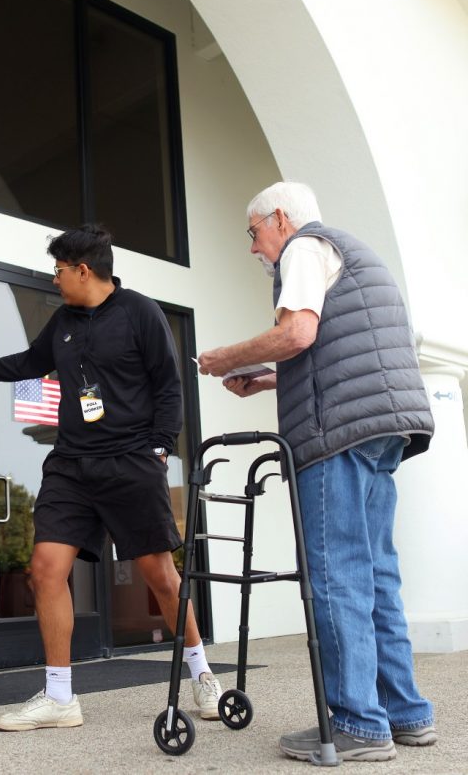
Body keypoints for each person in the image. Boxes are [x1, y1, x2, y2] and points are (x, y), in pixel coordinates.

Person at [0, 224, 222, 732]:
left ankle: (202, 674)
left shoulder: (140, 312)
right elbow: (30, 362)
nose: (55, 279)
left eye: (59, 270)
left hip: (130, 461)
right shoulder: (62, 321)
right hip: (71, 465)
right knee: (45, 569)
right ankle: (60, 696)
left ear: (83, 270)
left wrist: (158, 447)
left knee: (161, 578)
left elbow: (168, 386)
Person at [197, 182, 436, 762]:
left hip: (338, 437)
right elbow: (335, 352)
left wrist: (224, 358)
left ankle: (358, 723)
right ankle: (405, 714)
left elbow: (298, 333)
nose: (254, 248)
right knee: (376, 573)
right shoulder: (354, 254)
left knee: (335, 574)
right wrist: (268, 379)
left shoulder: (305, 246)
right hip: (383, 429)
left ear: (279, 219)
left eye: (253, 234)